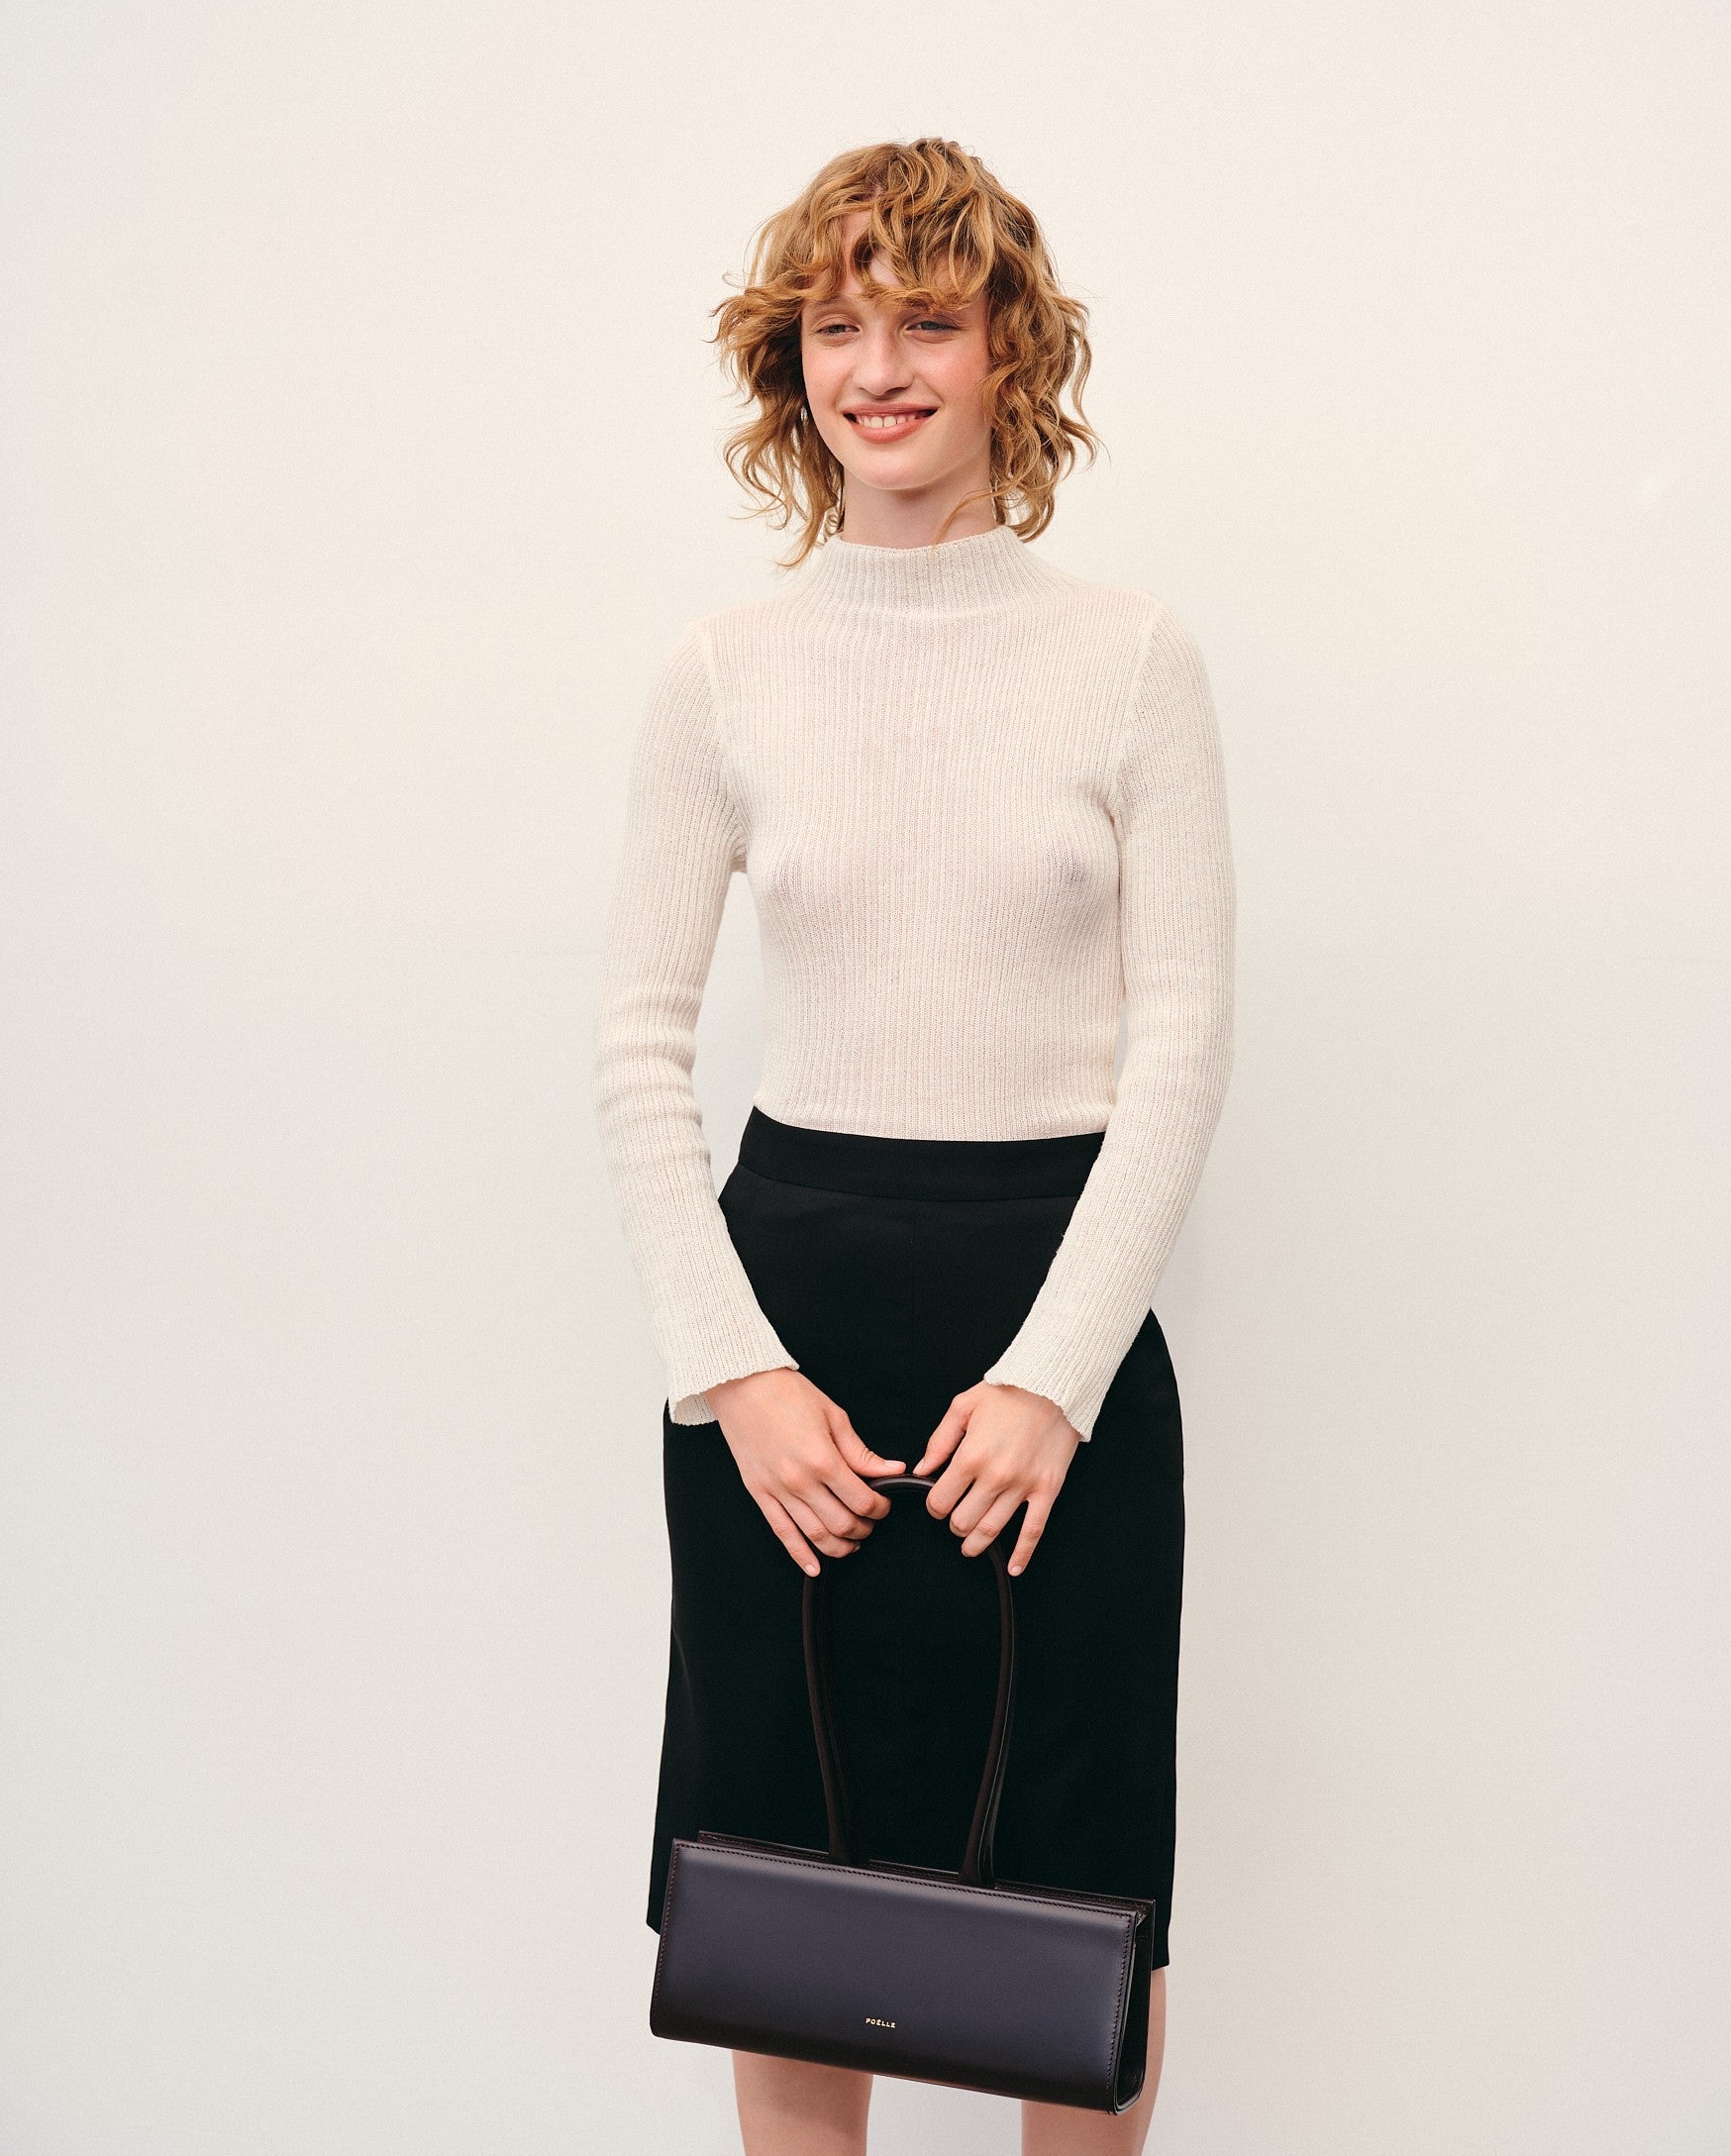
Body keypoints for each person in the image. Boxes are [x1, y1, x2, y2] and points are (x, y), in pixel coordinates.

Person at [591, 136, 1236, 2155]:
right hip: (788, 1343)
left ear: (1006, 353)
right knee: (785, 1887)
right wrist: (733, 1374)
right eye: (837, 320)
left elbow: (1184, 1030)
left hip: (1054, 1329)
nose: (879, 364)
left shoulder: (1130, 655)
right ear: (790, 362)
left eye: (926, 319)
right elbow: (632, 1041)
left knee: (1076, 1898)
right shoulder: (722, 668)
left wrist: (1052, 1382)